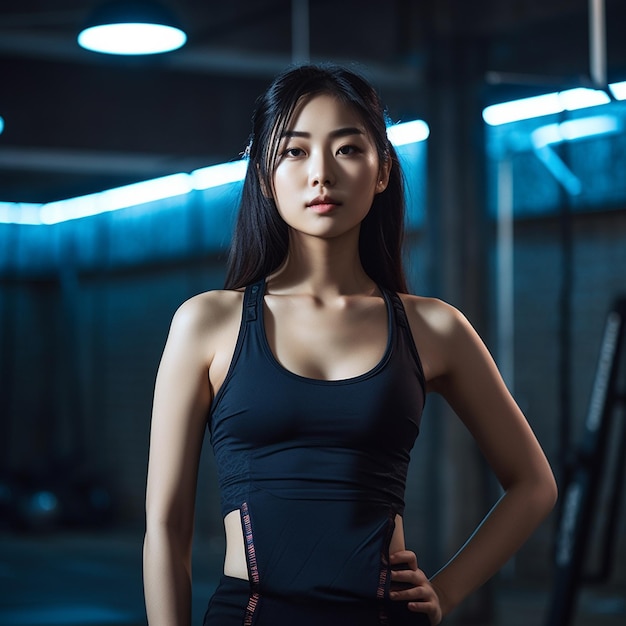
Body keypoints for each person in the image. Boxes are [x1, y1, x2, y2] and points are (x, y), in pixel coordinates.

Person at [143, 64, 557, 626]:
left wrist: (447, 591)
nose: (320, 175)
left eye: (347, 149)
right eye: (294, 151)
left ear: (382, 169)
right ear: (264, 174)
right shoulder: (207, 323)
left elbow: (533, 485)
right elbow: (166, 528)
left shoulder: (435, 328)